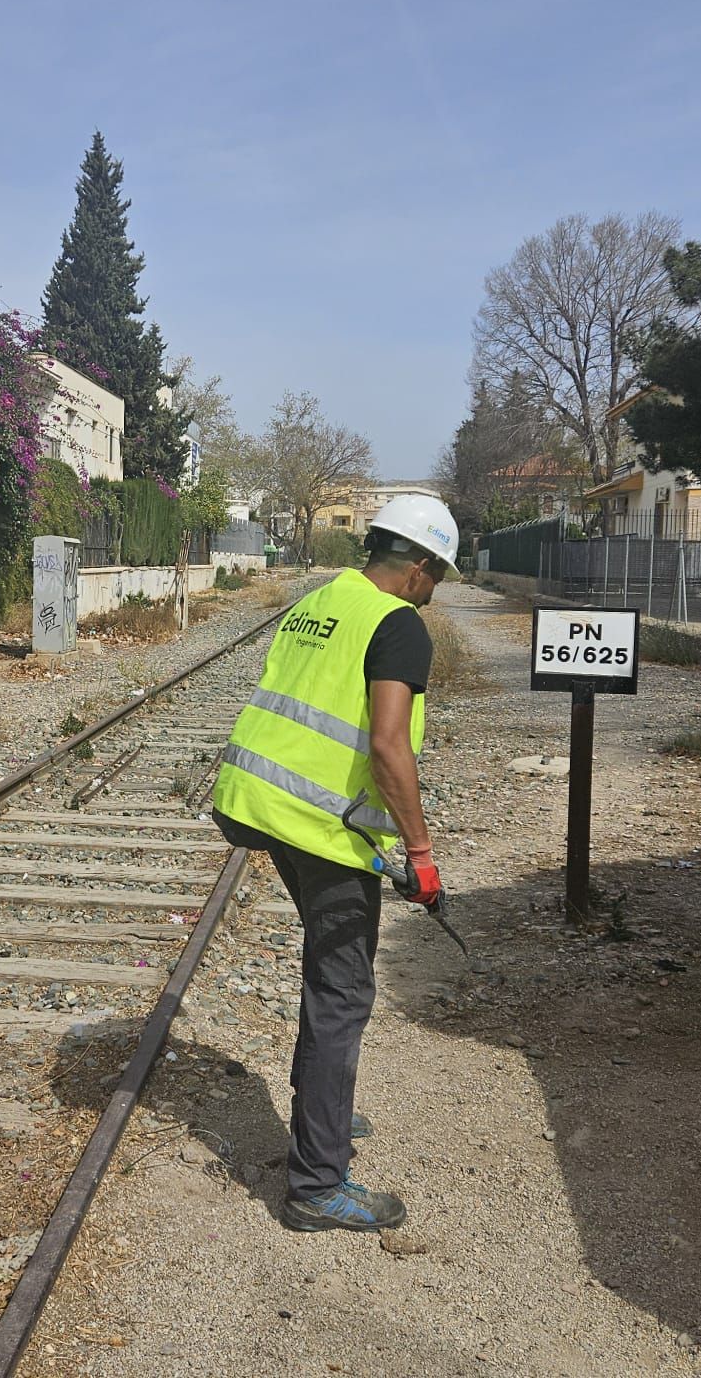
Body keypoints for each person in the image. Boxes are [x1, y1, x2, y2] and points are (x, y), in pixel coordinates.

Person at [210, 494, 459, 1233]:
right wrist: (420, 854)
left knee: (328, 968)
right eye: (436, 575)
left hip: (260, 802)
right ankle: (317, 1183)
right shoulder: (399, 625)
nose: (434, 588)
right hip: (318, 824)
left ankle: (325, 1109)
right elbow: (388, 747)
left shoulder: (323, 601)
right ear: (417, 566)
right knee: (342, 990)